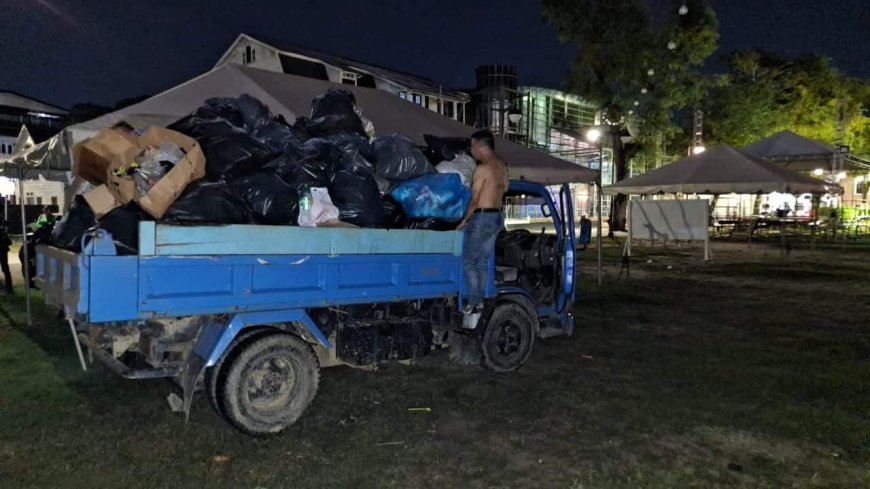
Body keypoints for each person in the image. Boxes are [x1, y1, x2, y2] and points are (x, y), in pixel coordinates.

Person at [457, 130, 508, 314]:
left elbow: (474, 199)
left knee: (469, 261)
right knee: (482, 262)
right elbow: (505, 187)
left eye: (473, 146)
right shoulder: (502, 166)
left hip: (482, 217)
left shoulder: (482, 168)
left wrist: (463, 220)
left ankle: (473, 301)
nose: (472, 150)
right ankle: (479, 301)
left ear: (480, 146)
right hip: (497, 217)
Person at [0, 217, 13, 294]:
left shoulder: (3, 221)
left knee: (5, 267)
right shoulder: (4, 221)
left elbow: (5, 232)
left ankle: (9, 288)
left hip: (2, 247)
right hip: (3, 247)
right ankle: (9, 288)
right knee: (5, 268)